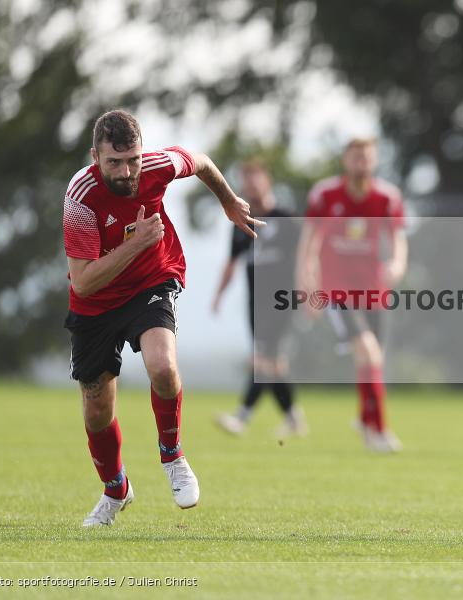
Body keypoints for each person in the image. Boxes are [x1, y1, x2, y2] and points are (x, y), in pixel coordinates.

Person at [63, 109, 261, 526]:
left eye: (132, 158)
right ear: (94, 157)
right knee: (97, 408)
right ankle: (116, 490)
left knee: (164, 366)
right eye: (114, 162)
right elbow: (82, 283)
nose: (127, 170)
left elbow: (202, 162)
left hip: (151, 282)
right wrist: (136, 245)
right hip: (97, 301)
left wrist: (228, 202)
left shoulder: (158, 166)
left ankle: (172, 455)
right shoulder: (80, 197)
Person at [295, 138, 408, 453]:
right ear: (346, 160)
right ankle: (379, 430)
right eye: (356, 156)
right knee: (369, 353)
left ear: (374, 161)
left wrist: (397, 264)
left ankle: (363, 418)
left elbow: (397, 238)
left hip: (374, 290)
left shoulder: (387, 196)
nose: (361, 161)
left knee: (372, 359)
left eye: (367, 156)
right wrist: (306, 282)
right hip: (337, 291)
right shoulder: (325, 195)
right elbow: (309, 240)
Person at [212, 160, 306, 438]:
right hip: (255, 302)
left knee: (262, 358)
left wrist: (307, 287)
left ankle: (242, 416)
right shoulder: (240, 221)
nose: (251, 184)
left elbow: (306, 257)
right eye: (246, 179)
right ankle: (293, 418)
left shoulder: (286, 218)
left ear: (268, 180)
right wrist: (218, 295)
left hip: (282, 299)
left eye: (256, 178)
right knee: (272, 363)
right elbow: (231, 262)